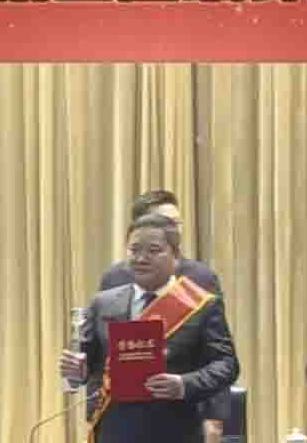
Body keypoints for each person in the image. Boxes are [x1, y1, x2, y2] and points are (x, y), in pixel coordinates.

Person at [60, 213, 240, 443]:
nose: (141, 258)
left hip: (175, 430)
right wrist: (76, 371)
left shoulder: (201, 305)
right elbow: (86, 366)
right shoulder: (103, 303)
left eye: (153, 251)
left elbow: (227, 365)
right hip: (115, 432)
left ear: (176, 255)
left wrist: (184, 384)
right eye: (134, 250)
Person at [98, 190, 229, 443]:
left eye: (177, 223)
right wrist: (97, 410)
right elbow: (102, 352)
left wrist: (214, 416)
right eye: (165, 223)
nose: (175, 230)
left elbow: (216, 354)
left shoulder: (201, 278)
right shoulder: (114, 279)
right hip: (122, 420)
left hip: (179, 417)